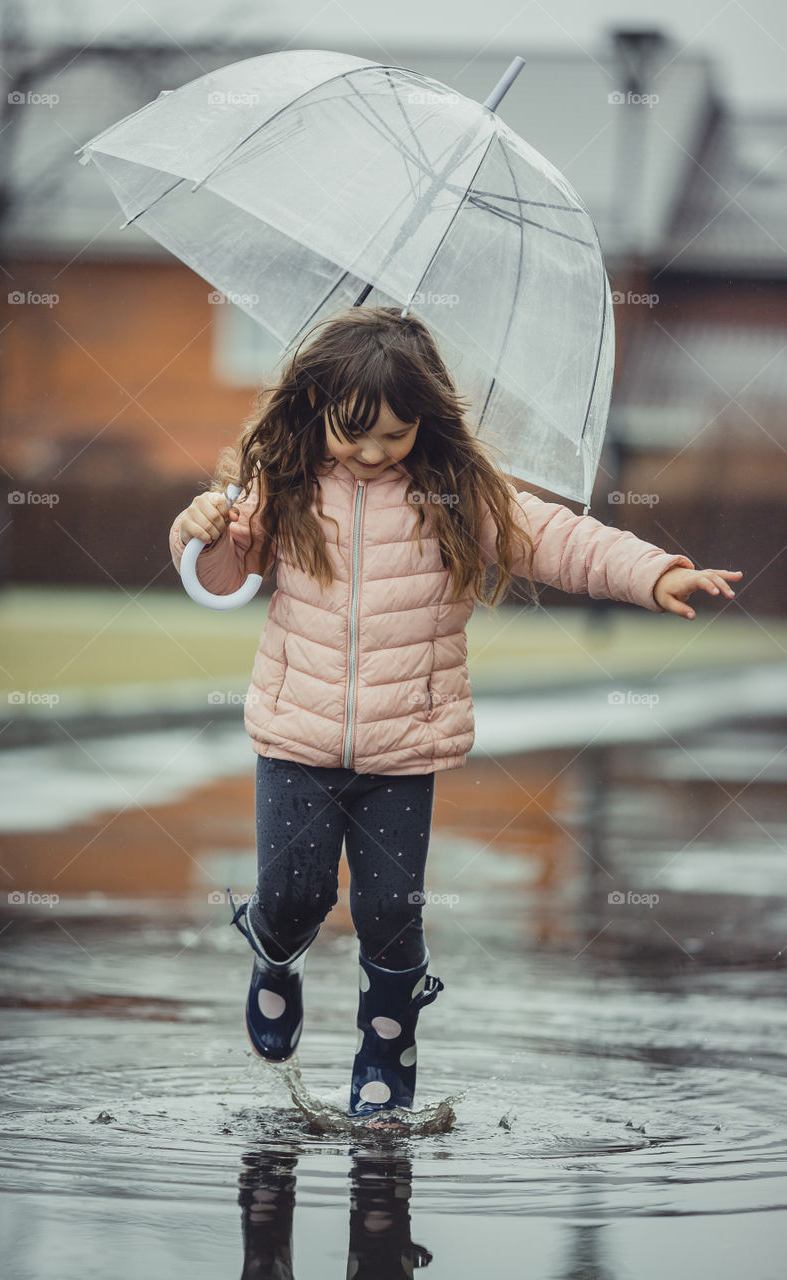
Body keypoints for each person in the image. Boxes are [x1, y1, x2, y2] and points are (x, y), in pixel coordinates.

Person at [168, 306, 742, 1128]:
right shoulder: (281, 485)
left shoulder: (455, 494)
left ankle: (386, 1048)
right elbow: (222, 581)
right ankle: (274, 958)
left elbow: (556, 539)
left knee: (390, 912)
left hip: (405, 745)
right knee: (292, 896)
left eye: (394, 437)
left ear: (424, 424)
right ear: (316, 404)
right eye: (353, 433)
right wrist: (203, 530)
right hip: (297, 737)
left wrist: (653, 575)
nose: (370, 454)